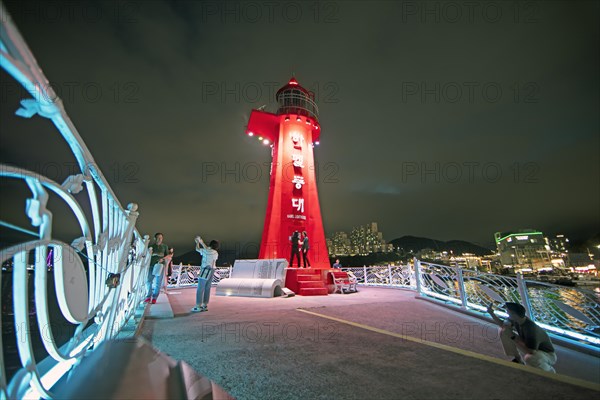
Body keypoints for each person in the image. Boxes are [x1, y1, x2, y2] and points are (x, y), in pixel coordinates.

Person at [487, 302, 557, 372]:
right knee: (503, 331)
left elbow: (531, 351)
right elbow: (503, 325)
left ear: (514, 314)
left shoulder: (530, 329)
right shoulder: (516, 320)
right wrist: (491, 313)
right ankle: (518, 359)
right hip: (531, 347)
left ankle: (549, 371)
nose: (507, 313)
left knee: (529, 358)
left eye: (508, 312)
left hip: (547, 355)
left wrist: (512, 337)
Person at [191, 235, 219, 313]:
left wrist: (197, 242)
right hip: (212, 269)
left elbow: (197, 249)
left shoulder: (205, 251)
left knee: (200, 288)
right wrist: (201, 242)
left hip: (205, 269)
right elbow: (207, 249)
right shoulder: (215, 253)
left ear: (210, 244)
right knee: (207, 287)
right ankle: (205, 305)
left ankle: (198, 306)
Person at [145, 233, 170, 304]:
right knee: (148, 281)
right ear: (155, 238)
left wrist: (162, 259)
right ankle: (148, 296)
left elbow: (168, 255)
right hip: (151, 265)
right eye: (158, 238)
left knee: (158, 282)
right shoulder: (151, 246)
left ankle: (155, 297)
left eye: (161, 238)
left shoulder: (164, 246)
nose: (159, 239)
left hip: (160, 266)